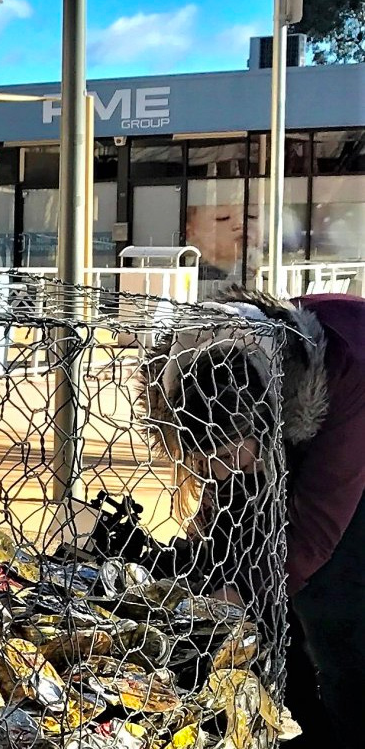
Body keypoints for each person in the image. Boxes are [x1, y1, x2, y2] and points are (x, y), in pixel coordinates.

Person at [139, 287, 365, 747]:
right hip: (280, 412)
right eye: (204, 461)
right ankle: (287, 709)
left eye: (226, 454)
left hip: (351, 408)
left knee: (333, 595)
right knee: (244, 544)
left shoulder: (341, 373)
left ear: (264, 426)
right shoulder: (201, 372)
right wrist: (212, 568)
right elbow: (226, 491)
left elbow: (317, 529)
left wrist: (246, 592)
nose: (216, 471)